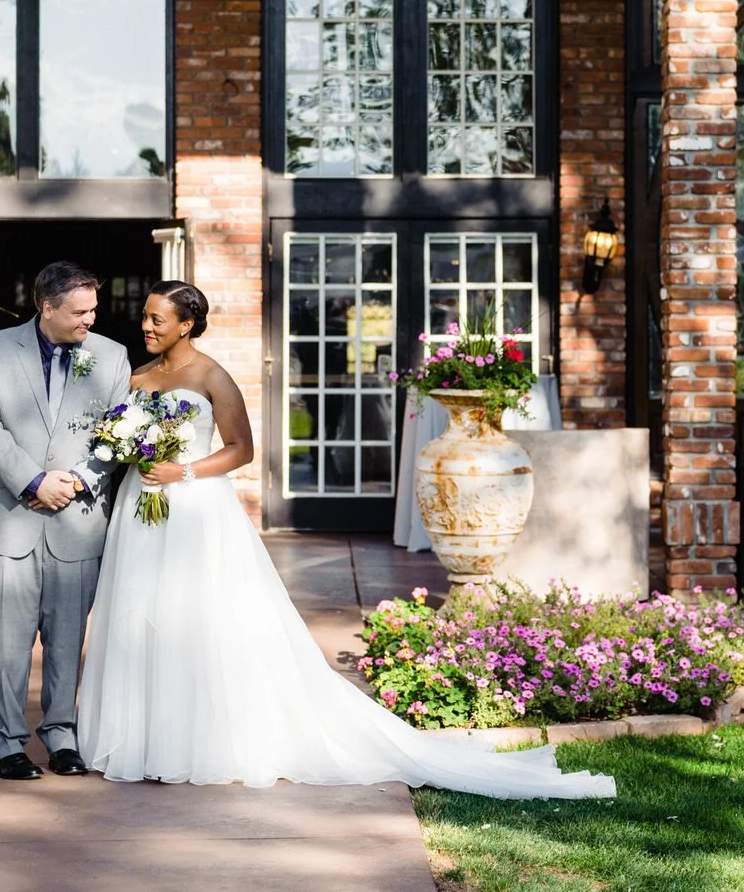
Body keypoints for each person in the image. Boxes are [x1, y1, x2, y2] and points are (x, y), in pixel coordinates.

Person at [77, 280, 614, 799]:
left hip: (194, 510)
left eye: (156, 319)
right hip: (140, 511)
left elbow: (242, 450)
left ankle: (200, 742)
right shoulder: (138, 376)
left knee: (200, 617)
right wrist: (131, 454)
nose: (145, 326)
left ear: (187, 324)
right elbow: (114, 438)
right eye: (146, 317)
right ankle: (143, 739)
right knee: (140, 615)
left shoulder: (213, 376)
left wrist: (184, 472)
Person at [0, 261, 132, 780]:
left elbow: (119, 432)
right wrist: (34, 481)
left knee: (67, 641)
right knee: (10, 643)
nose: (91, 318)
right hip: (11, 516)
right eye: (80, 311)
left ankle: (62, 736)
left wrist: (78, 479)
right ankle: (6, 744)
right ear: (47, 307)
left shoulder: (112, 356)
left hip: (77, 519)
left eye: (93, 309)